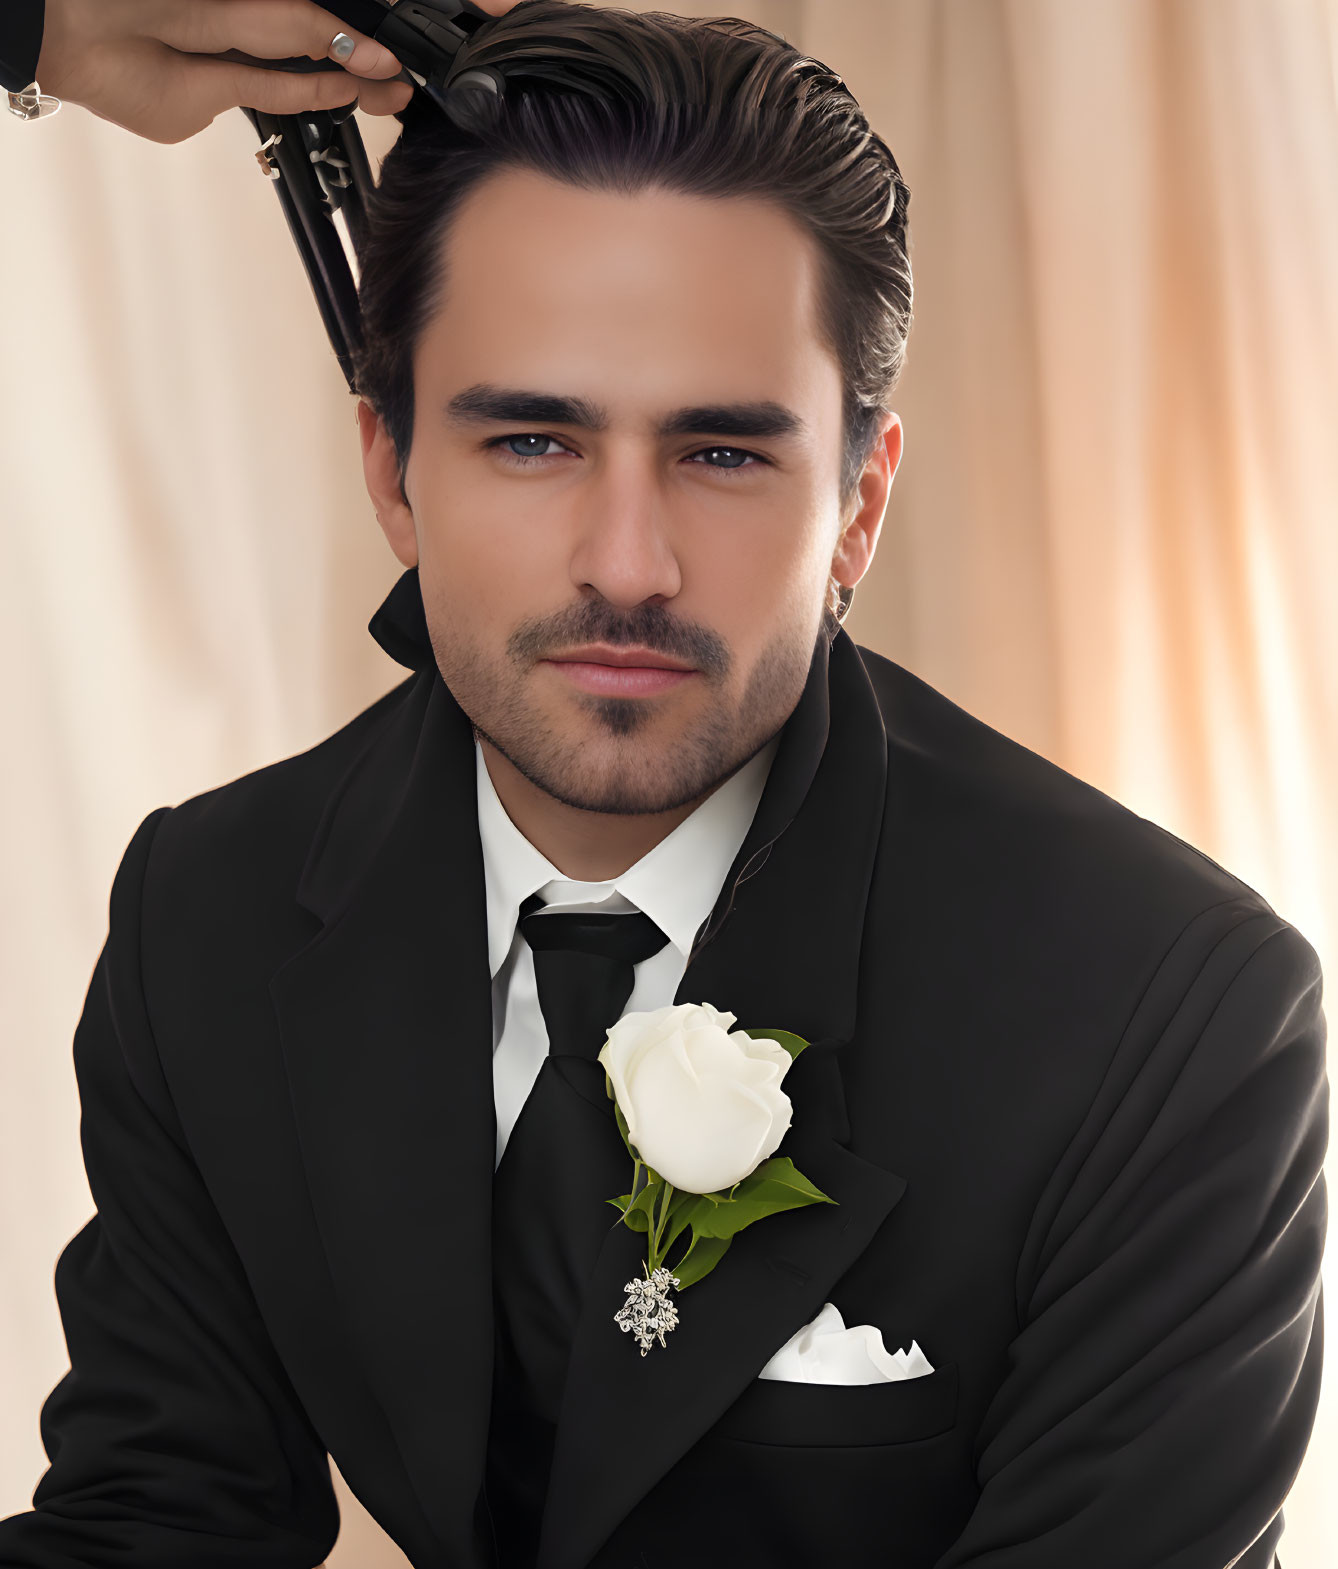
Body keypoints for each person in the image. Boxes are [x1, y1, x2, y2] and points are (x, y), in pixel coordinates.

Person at [0, 2, 1327, 1567]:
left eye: (720, 454)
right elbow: (161, 1524)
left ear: (856, 506)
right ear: (391, 468)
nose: (625, 567)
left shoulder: (1174, 1016)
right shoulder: (202, 913)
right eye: (532, 441)